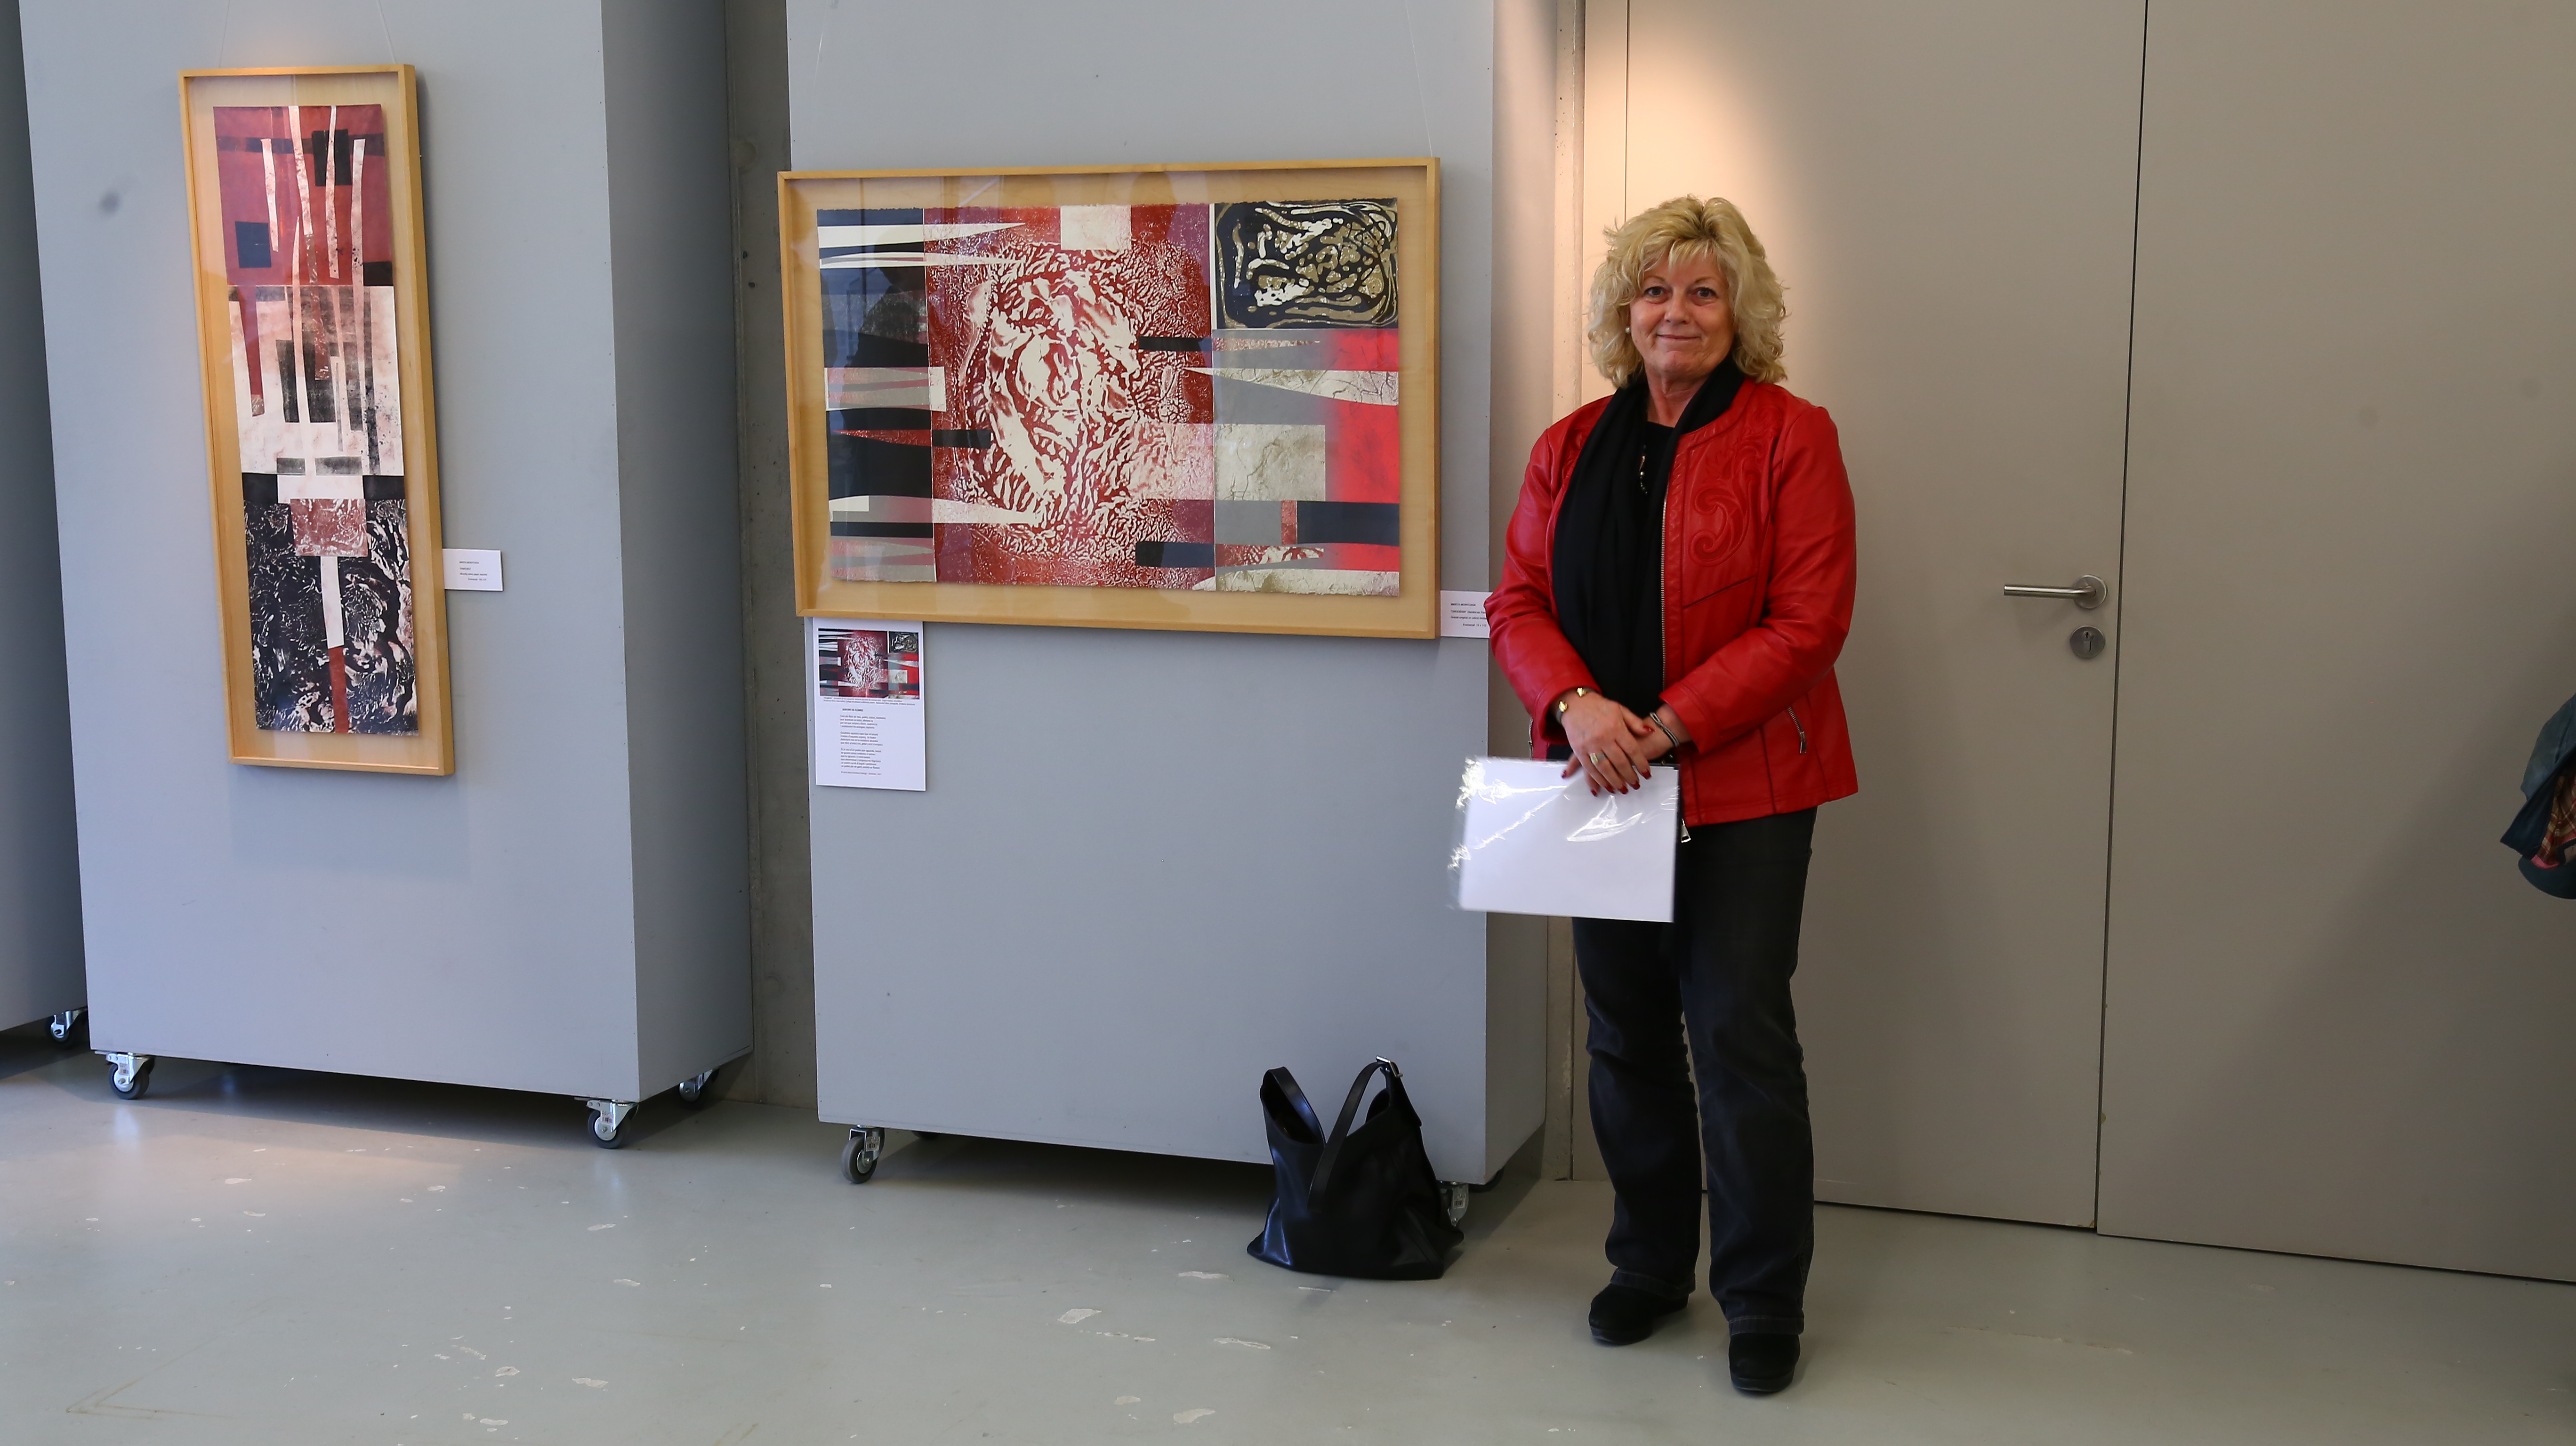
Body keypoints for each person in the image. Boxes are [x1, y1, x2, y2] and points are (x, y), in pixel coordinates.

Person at [1485, 196, 1857, 1396]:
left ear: (1741, 311)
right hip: (1601, 776)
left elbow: (1809, 620)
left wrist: (1668, 723)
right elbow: (1517, 600)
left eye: (1704, 290)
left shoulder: (1793, 436)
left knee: (1740, 1035)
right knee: (1625, 1034)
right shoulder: (1566, 446)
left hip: (1747, 782)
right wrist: (1577, 708)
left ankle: (1763, 1298)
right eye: (1655, 290)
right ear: (1624, 311)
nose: (1676, 312)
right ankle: (1647, 1267)